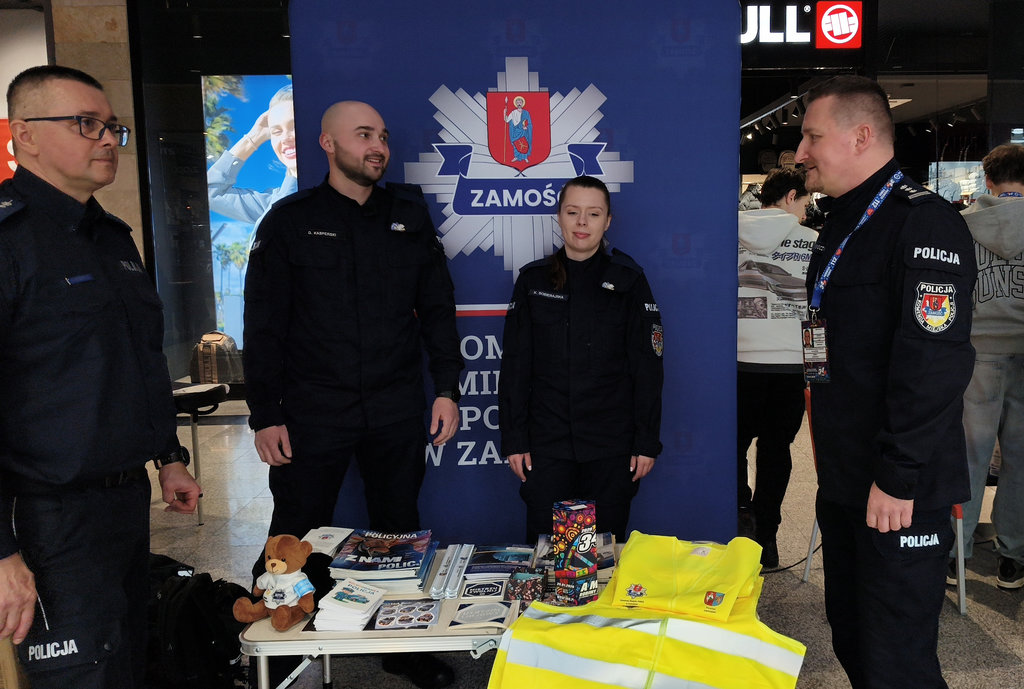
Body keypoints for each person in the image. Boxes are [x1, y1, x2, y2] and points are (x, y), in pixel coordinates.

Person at [243, 100, 463, 689]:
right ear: (327, 144)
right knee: (296, 529)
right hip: (313, 408)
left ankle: (403, 647)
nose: (378, 147)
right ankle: (277, 652)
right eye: (364, 135)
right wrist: (265, 414)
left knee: (397, 530)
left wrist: (446, 388)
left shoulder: (408, 217)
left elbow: (439, 312)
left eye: (383, 137)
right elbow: (262, 324)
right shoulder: (289, 221)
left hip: (395, 404)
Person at [0, 65, 201, 689]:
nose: (107, 139)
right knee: (82, 674)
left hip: (121, 500)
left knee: (127, 659)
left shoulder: (111, 237)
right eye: (85, 124)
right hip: (46, 514)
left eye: (111, 125)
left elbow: (137, 361)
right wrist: (1, 554)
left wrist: (168, 455)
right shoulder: (9, 242)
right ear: (24, 135)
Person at [796, 75, 976, 688]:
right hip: (847, 477)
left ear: (862, 135)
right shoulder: (842, 225)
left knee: (896, 660)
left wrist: (897, 475)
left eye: (812, 136)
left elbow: (934, 364)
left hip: (897, 490)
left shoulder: (922, 225)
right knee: (852, 637)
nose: (799, 153)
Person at [499, 175, 664, 543]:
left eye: (593, 214)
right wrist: (513, 438)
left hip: (611, 444)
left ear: (607, 221)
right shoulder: (533, 281)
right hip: (547, 444)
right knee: (546, 556)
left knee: (604, 554)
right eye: (573, 212)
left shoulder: (629, 280)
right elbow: (515, 367)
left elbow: (648, 368)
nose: (582, 222)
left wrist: (645, 442)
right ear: (559, 216)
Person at [952, 143, 1024, 589]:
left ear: (988, 180)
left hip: (977, 350)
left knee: (970, 455)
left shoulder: (961, 226)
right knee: (1020, 457)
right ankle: (1012, 556)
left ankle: (954, 553)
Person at [737, 166, 815, 567]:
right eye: (805, 201)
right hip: (789, 366)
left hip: (737, 364)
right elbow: (820, 313)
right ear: (790, 197)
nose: (805, 210)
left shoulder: (728, 234)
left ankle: (738, 519)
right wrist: (817, 373)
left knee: (733, 448)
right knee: (775, 451)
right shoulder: (814, 243)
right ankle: (766, 538)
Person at [207, 83, 298, 226]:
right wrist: (254, 137)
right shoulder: (268, 206)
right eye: (276, 132)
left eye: (294, 126)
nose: (285, 138)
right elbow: (211, 193)